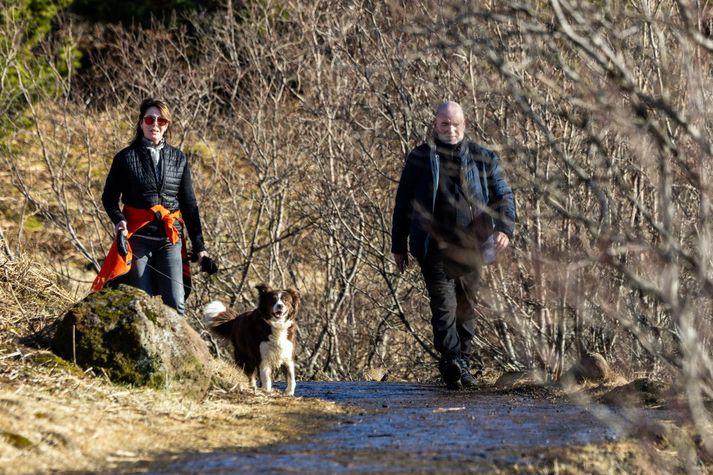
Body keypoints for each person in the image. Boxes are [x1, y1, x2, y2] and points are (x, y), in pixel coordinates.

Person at [391, 101, 516, 389]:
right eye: (445, 124)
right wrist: (398, 245)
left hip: (473, 245)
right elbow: (402, 204)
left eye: (456, 123)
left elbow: (504, 195)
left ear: (465, 124)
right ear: (435, 125)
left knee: (466, 306)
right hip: (432, 246)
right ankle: (450, 360)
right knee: (444, 306)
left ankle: (463, 362)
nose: (451, 129)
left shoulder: (483, 158)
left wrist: (505, 229)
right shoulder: (419, 159)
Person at [91, 97, 209, 316]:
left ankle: (176, 351)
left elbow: (189, 205)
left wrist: (200, 248)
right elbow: (109, 198)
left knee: (176, 302)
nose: (155, 124)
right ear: (141, 123)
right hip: (138, 240)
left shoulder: (178, 158)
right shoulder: (125, 158)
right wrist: (120, 222)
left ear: (167, 125)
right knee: (141, 302)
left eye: (161, 120)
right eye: (149, 119)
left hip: (169, 239)